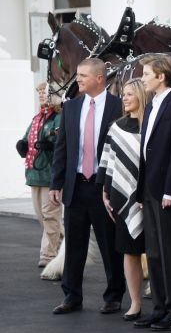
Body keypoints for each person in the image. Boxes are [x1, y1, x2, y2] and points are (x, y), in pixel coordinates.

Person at [49, 58, 125, 315]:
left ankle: (114, 295)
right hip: (76, 186)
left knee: (109, 244)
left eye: (82, 75)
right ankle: (72, 296)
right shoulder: (71, 108)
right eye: (78, 74)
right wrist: (56, 183)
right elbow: (62, 148)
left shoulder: (118, 107)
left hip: (104, 188)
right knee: (74, 244)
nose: (77, 79)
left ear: (99, 78)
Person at [134, 54, 171, 331]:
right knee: (153, 252)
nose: (142, 78)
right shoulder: (152, 103)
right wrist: (141, 190)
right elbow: (147, 152)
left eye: (146, 74)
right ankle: (159, 307)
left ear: (161, 77)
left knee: (169, 252)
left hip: (166, 190)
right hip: (149, 189)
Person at [97, 78, 150, 321]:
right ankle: (136, 303)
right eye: (123, 94)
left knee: (156, 254)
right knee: (129, 253)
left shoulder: (152, 124)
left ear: (141, 95)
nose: (124, 98)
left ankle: (162, 302)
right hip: (122, 197)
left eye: (129, 94)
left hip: (150, 198)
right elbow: (107, 163)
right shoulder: (115, 127)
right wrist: (106, 193)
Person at [18, 82, 63, 267]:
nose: (42, 96)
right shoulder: (37, 118)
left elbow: (61, 142)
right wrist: (22, 146)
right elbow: (27, 138)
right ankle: (67, 243)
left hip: (50, 175)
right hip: (34, 174)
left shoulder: (59, 118)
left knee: (49, 216)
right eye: (40, 93)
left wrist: (50, 143)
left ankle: (48, 256)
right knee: (41, 216)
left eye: (46, 93)